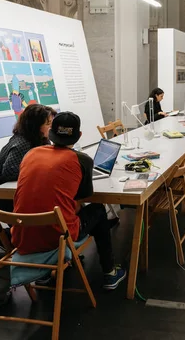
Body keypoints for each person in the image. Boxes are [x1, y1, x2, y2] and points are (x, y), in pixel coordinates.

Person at [12, 112, 126, 290]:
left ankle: (43, 275)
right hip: (57, 237)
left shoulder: (31, 154)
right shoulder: (82, 160)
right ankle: (110, 272)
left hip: (22, 235)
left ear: (51, 133)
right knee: (97, 209)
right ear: (79, 135)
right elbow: (85, 196)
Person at [0, 104, 56, 212]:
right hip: (3, 198)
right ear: (35, 126)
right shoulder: (21, 143)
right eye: (48, 124)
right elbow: (9, 173)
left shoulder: (41, 139)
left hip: (17, 194)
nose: (51, 127)